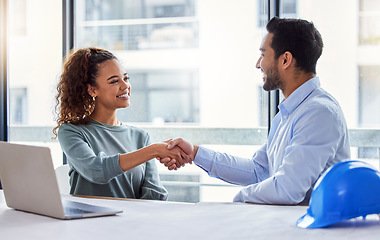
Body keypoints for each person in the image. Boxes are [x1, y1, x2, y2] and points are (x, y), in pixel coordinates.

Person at [160, 17, 351, 205]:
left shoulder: (318, 113)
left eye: (263, 54)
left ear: (285, 60)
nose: (258, 64)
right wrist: (195, 152)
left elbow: (287, 189)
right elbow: (258, 170)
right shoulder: (291, 112)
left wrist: (239, 199)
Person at [53, 47, 189, 200]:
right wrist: (155, 150)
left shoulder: (140, 137)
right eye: (115, 81)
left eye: (126, 78)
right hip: (88, 222)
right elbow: (96, 170)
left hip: (131, 222)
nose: (125, 86)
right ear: (92, 90)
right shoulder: (71, 131)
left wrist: (170, 153)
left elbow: (155, 194)